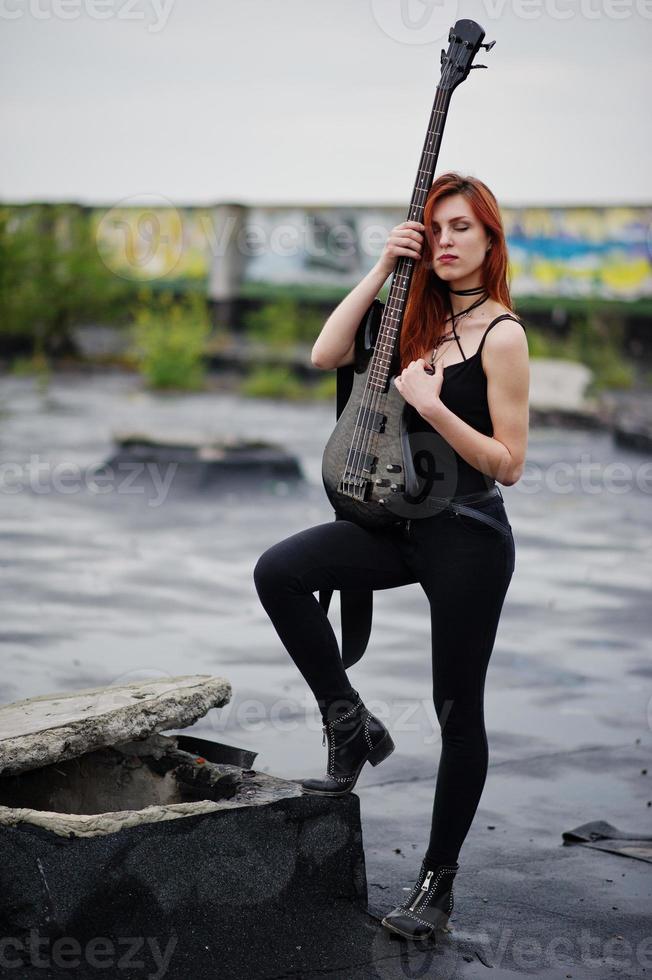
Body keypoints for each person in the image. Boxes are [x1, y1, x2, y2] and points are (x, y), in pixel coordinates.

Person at [253, 172, 530, 941]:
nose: (445, 241)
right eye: (435, 227)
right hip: (393, 523)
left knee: (456, 710)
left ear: (489, 241)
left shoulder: (502, 335)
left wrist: (434, 405)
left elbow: (509, 462)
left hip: (467, 531)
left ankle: (436, 886)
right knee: (280, 571)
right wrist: (383, 268)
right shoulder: (409, 313)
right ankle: (350, 724)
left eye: (461, 229)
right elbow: (323, 353)